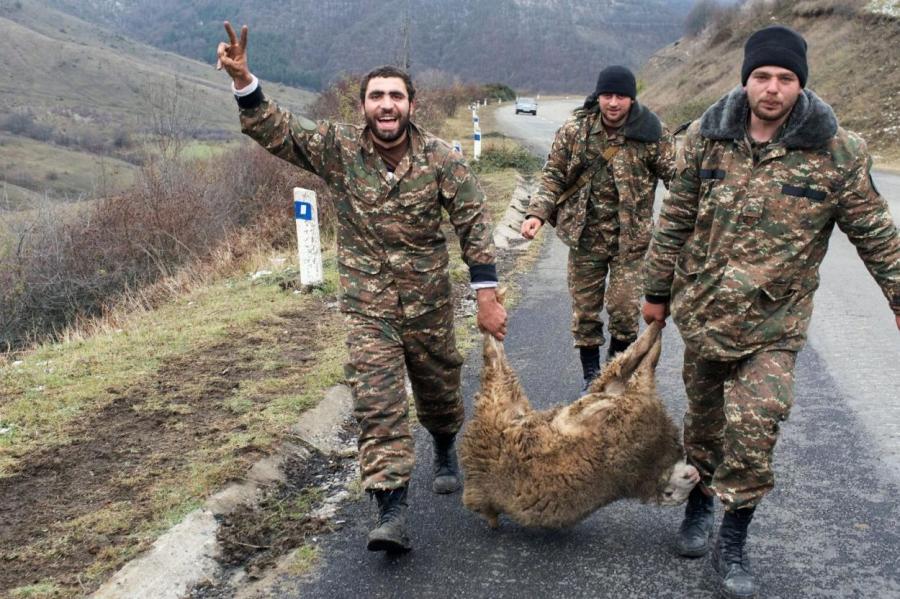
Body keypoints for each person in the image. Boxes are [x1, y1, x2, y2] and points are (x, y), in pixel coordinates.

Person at [216, 22, 507, 553]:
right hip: (367, 307)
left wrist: (486, 296)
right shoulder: (339, 148)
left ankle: (444, 445)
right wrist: (244, 81)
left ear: (412, 105)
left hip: (430, 306)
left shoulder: (443, 159)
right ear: (364, 105)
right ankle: (391, 509)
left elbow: (473, 225)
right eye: (377, 96)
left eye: (396, 96)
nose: (386, 105)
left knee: (441, 393)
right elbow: (279, 130)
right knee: (377, 402)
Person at [642, 24, 900, 599]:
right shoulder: (706, 140)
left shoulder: (837, 153)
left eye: (786, 78)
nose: (773, 88)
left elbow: (877, 237)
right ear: (746, 80)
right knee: (704, 427)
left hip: (774, 325)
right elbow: (675, 222)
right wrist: (656, 291)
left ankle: (732, 543)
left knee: (757, 426)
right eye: (763, 76)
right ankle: (700, 506)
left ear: (800, 85)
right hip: (705, 314)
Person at [521, 65, 674, 393]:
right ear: (598, 96)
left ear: (632, 99)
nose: (614, 103)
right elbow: (554, 174)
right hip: (584, 238)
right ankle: (591, 377)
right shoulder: (576, 130)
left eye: (621, 96)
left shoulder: (651, 132)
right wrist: (537, 213)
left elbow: (677, 177)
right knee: (585, 313)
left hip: (629, 243)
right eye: (608, 95)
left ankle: (615, 375)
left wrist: (692, 218)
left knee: (623, 309)